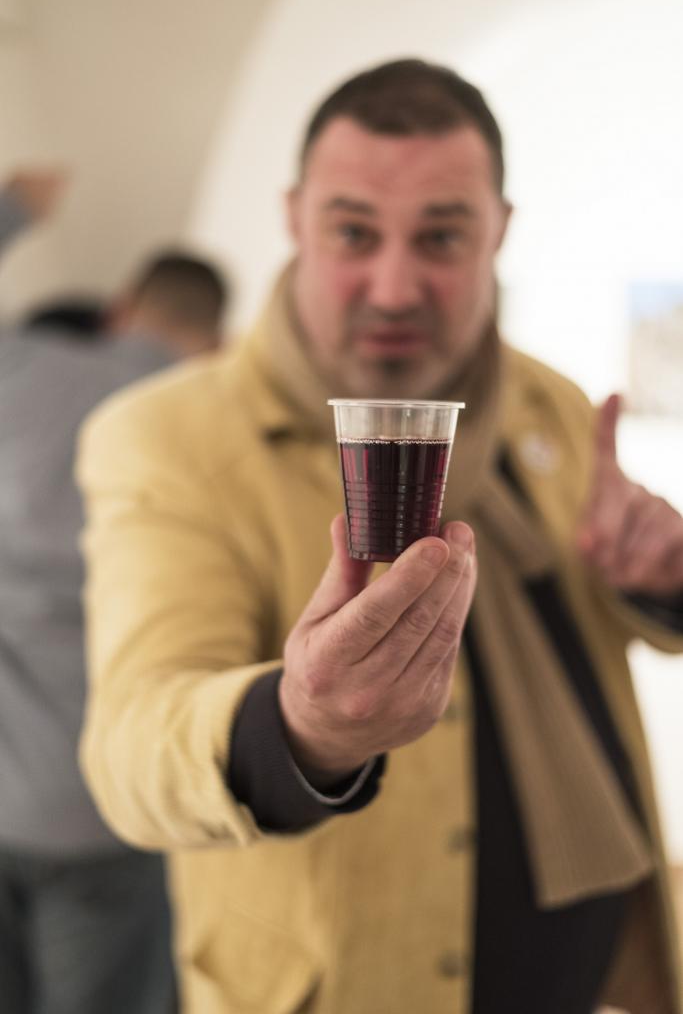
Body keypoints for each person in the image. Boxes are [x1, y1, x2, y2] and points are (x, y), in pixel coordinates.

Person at [76, 60, 683, 1014]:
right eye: (354, 232)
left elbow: (614, 630)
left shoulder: (549, 403)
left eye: (440, 236)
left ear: (498, 231)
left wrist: (661, 581)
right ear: (294, 219)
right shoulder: (169, 437)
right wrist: (304, 727)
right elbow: (130, 749)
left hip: (601, 977)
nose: (395, 287)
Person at [0, 171, 228, 1013]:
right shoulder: (211, 420)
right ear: (216, 338)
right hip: (116, 808)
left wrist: (13, 209)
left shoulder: (17, 369)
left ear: (123, 304)